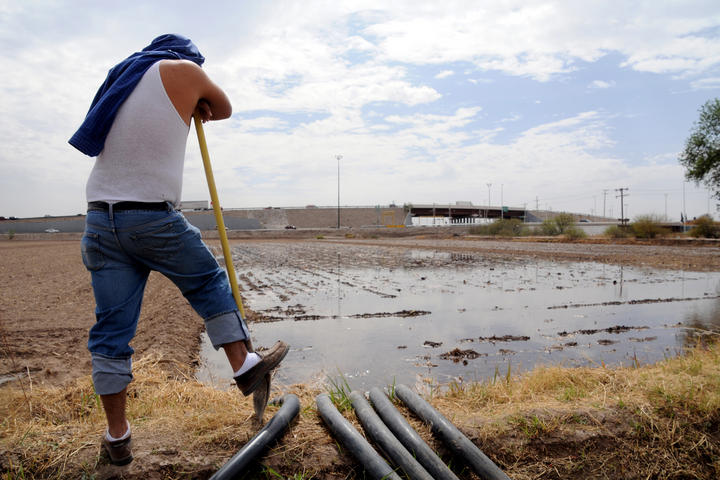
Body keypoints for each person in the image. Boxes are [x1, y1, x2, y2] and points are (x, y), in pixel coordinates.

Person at [69, 34, 288, 466]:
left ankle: (117, 437)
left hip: (98, 220)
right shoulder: (183, 70)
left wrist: (190, 105)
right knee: (207, 281)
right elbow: (223, 107)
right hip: (150, 216)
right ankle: (244, 365)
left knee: (111, 333)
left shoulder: (123, 79)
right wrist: (198, 100)